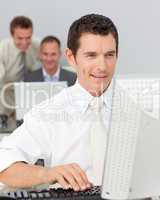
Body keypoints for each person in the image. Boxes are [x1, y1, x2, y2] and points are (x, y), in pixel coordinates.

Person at [0, 14, 118, 191]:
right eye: (91, 55)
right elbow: (4, 165)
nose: (102, 66)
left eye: (109, 55)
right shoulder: (48, 112)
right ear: (71, 57)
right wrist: (46, 174)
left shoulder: (139, 108)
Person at [0, 16, 39, 122]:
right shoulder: (3, 48)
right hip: (6, 96)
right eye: (20, 38)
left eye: (28, 37)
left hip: (29, 96)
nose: (24, 42)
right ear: (12, 35)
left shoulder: (36, 45)